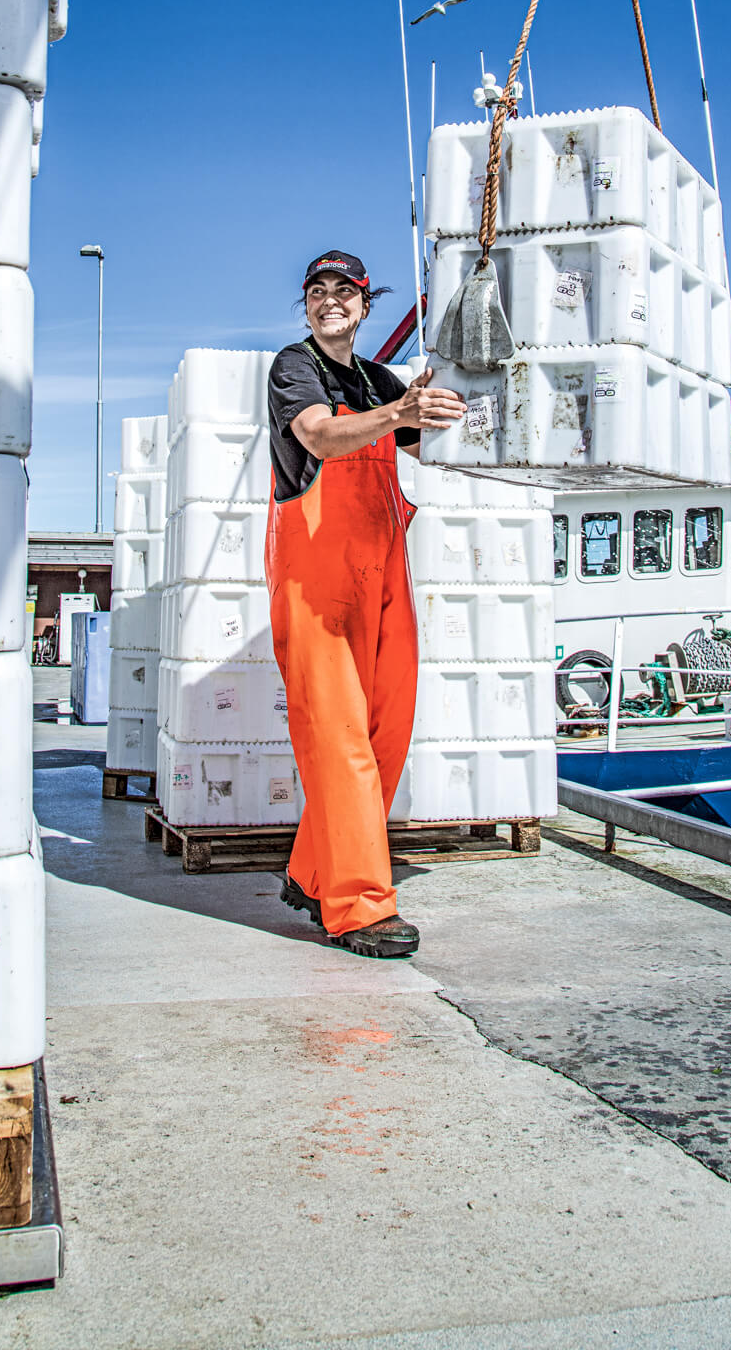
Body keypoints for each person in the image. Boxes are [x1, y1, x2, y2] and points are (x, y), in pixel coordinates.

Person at [266, 252, 465, 957]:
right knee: (339, 734)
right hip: (315, 574)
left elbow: (432, 438)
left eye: (343, 293)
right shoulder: (296, 368)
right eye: (317, 293)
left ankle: (311, 871)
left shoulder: (379, 379)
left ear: (363, 305)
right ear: (308, 305)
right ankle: (357, 906)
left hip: (383, 564)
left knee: (386, 728)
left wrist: (465, 383)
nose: (330, 303)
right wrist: (398, 410)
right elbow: (320, 434)